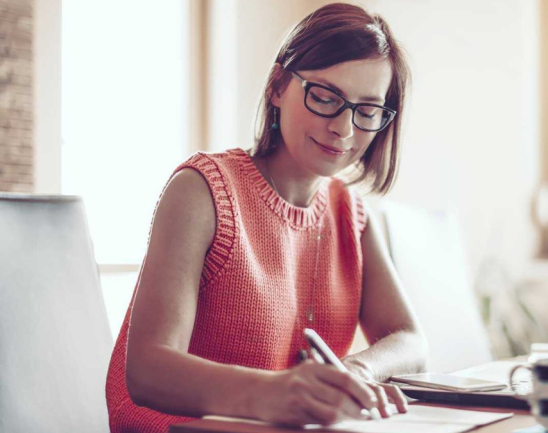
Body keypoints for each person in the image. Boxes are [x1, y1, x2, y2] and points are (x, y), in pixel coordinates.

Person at [105, 4, 428, 432]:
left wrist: (356, 372)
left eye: (367, 110)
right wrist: (276, 392)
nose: (344, 129)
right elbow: (147, 370)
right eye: (326, 97)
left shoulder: (348, 212)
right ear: (278, 86)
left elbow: (409, 340)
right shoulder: (202, 189)